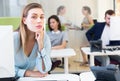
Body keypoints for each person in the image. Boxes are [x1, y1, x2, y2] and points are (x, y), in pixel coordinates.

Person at [14, 3, 52, 77]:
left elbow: (44, 70)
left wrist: (40, 44)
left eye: (41, 17)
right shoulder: (13, 39)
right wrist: (28, 73)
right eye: (34, 17)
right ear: (24, 20)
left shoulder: (45, 38)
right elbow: (3, 69)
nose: (39, 20)